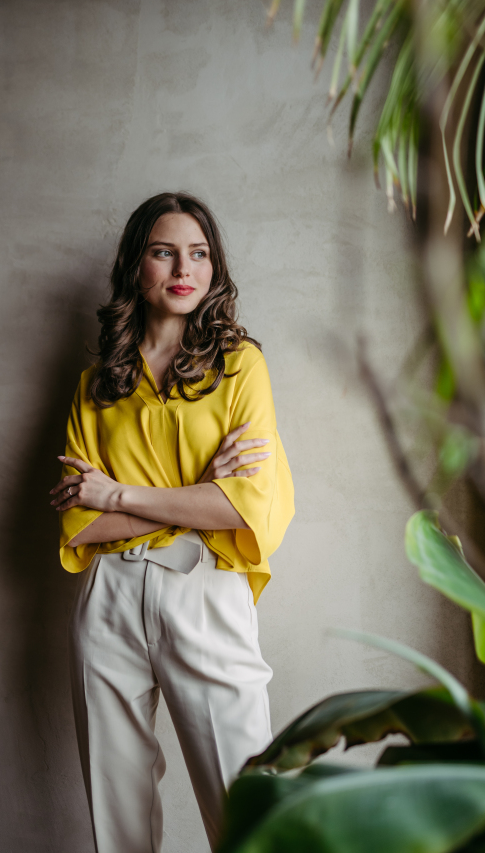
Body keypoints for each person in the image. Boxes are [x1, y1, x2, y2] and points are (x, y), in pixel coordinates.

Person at [49, 191, 295, 853]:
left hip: (205, 588)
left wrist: (118, 495)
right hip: (110, 600)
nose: (184, 267)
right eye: (164, 251)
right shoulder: (97, 383)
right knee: (118, 817)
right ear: (138, 264)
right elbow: (78, 526)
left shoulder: (239, 365)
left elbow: (239, 505)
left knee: (247, 810)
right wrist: (196, 489)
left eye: (199, 253)